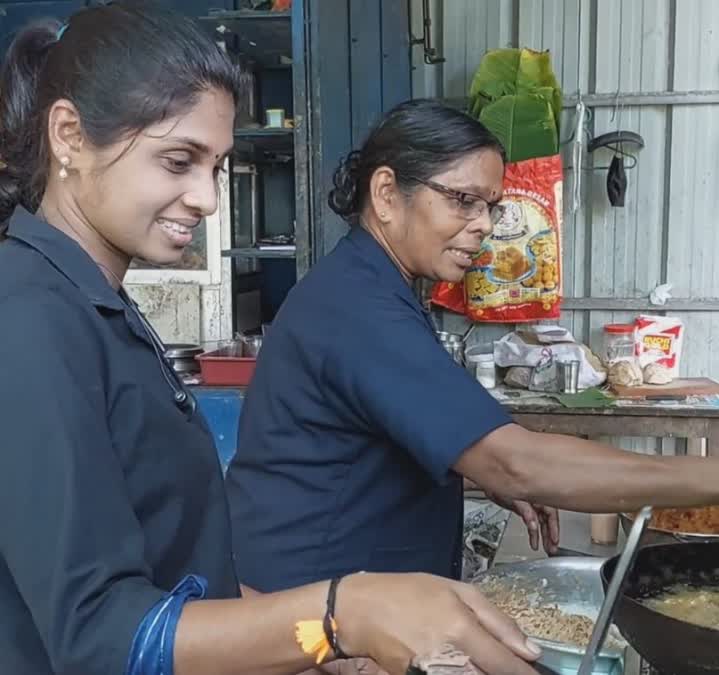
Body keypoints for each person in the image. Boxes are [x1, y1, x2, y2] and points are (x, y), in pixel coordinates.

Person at [0, 4, 546, 674]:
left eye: (217, 166)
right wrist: (343, 612)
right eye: (178, 160)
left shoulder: (99, 305)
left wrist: (325, 650)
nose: (205, 197)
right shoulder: (27, 317)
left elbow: (188, 579)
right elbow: (100, 635)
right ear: (69, 136)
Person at [223, 99, 719, 592]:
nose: (484, 224)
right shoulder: (358, 308)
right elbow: (517, 462)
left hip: (341, 591)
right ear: (388, 194)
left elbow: (391, 438)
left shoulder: (369, 287)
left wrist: (489, 475)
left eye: (491, 207)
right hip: (307, 612)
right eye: (464, 201)